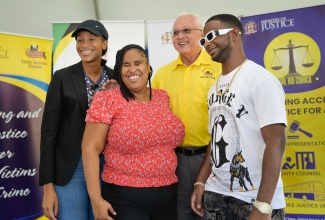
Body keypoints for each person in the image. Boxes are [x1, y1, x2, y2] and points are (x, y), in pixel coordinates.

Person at [191, 14, 287, 220]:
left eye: (213, 35)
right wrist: (201, 181)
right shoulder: (213, 88)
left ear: (235, 34)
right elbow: (215, 139)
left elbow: (276, 141)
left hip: (255, 198)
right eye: (203, 39)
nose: (207, 43)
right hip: (216, 194)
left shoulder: (260, 80)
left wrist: (263, 205)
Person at [81, 44, 185, 220]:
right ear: (118, 70)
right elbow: (90, 148)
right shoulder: (107, 99)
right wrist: (96, 200)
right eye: (125, 64)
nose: (132, 69)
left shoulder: (162, 97)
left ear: (148, 67)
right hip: (124, 198)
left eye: (138, 63)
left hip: (168, 194)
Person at [39, 19, 116, 220]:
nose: (84, 45)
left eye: (91, 39)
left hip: (109, 164)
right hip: (71, 167)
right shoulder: (62, 78)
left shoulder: (117, 78)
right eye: (80, 40)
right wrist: (48, 188)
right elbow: (48, 134)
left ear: (104, 44)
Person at [152, 12, 222, 220]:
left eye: (186, 31)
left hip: (214, 157)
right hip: (176, 159)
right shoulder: (162, 74)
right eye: (175, 32)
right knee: (182, 212)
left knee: (213, 211)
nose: (180, 36)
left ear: (201, 34)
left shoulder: (219, 67)